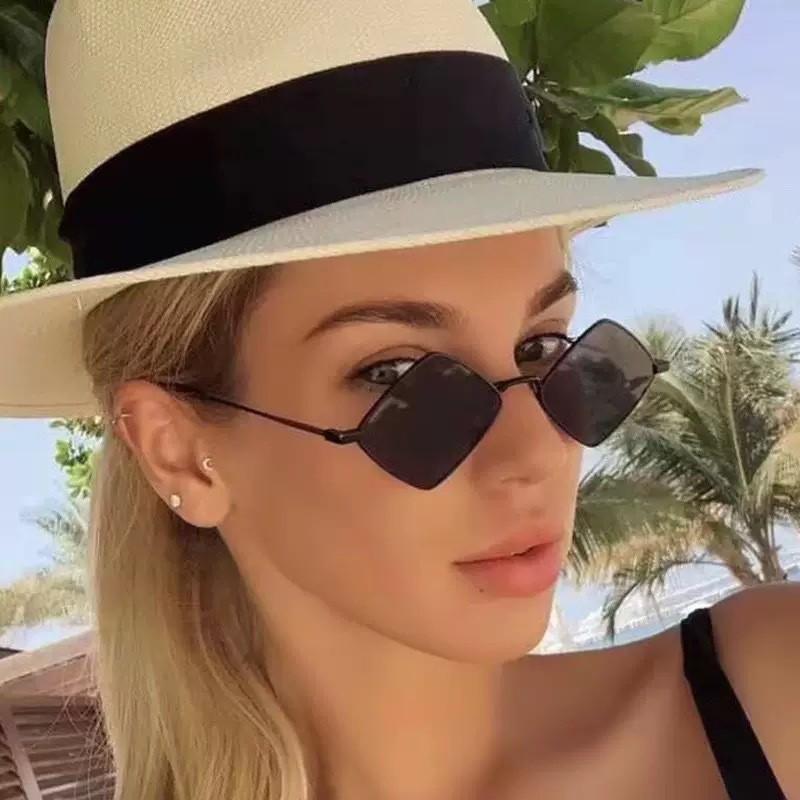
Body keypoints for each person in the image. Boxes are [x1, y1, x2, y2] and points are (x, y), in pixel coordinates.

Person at [0, 1, 796, 799]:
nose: (537, 453)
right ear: (178, 452)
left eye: (543, 348)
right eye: (398, 375)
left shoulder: (772, 696)